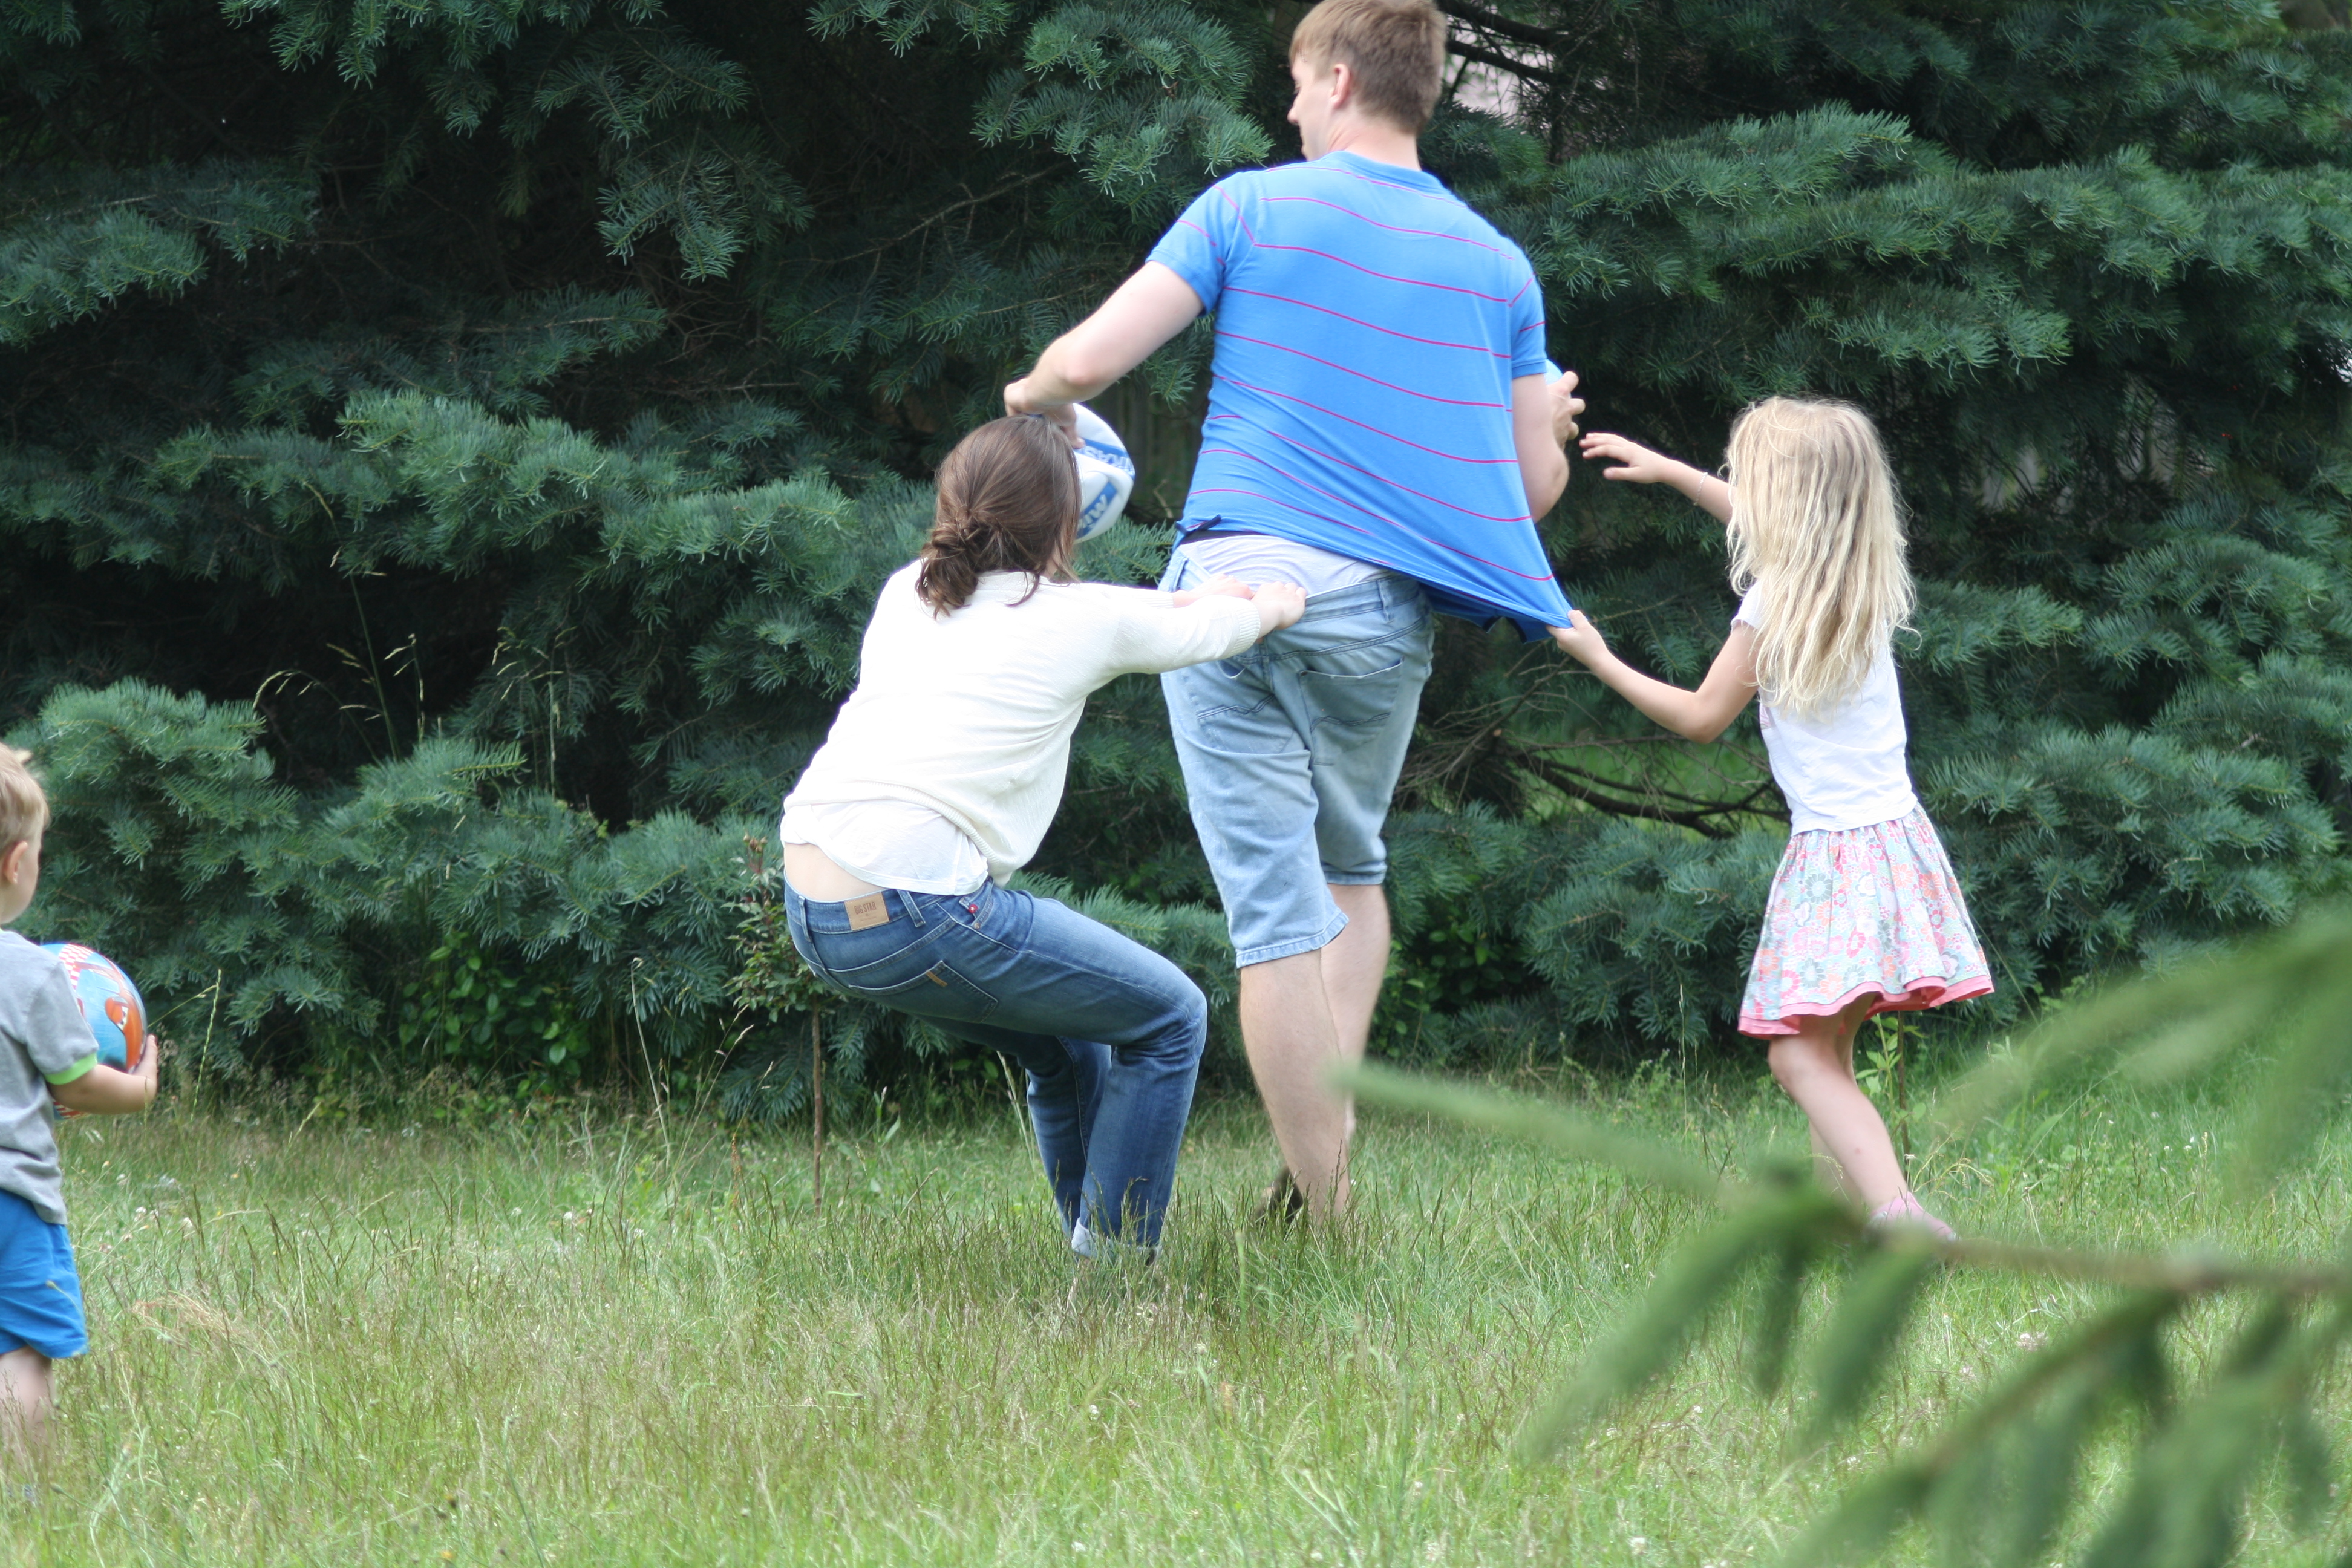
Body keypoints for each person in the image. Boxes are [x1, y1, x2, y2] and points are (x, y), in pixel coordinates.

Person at [1004, 0, 1585, 1221]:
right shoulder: (1497, 267)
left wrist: (1029, 392)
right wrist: (1553, 424)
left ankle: (1328, 1204)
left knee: (1274, 914)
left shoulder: (1250, 208)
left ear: (1338, 80)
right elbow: (1529, 492)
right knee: (1353, 869)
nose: (1286, 109)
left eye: (1294, 84)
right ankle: (1328, 1140)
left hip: (1230, 590)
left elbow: (1090, 362)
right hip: (1376, 616)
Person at [780, 416, 1307, 1258]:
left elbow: (1149, 610)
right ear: (1066, 521)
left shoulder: (908, 591)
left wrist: (1200, 599)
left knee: (1067, 1051)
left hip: (815, 908)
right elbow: (1202, 631)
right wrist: (1278, 602)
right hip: (916, 905)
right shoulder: (1076, 618)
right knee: (1172, 1017)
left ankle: (1092, 1252)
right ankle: (1115, 1276)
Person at [1553, 400, 1991, 1236]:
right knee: (1829, 1054)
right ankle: (1853, 1216)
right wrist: (1675, 474)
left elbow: (1700, 718)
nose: (1740, 497)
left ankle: (1899, 1214)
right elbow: (1773, 524)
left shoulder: (1774, 605)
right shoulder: (1858, 576)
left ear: (1788, 505)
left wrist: (1599, 656)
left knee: (1797, 1058)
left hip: (1836, 861)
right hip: (1894, 847)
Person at [0, 747, 161, 1468]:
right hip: (11, 1200)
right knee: (21, 1351)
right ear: (17, 862)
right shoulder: (32, 973)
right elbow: (78, 1085)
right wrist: (142, 1087)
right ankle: (26, 1493)